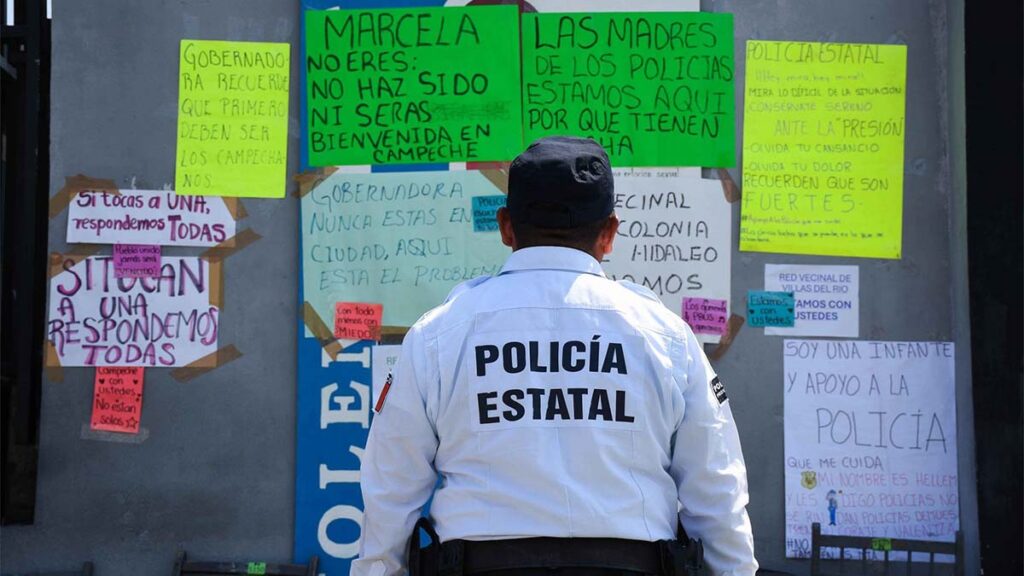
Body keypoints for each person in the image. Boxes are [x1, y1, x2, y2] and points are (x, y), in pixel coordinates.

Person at [352, 136, 758, 576]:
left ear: (506, 226)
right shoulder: (666, 337)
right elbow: (716, 490)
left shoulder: (438, 335)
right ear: (610, 233)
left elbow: (390, 490)